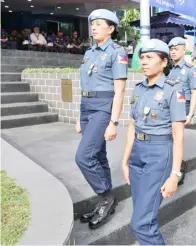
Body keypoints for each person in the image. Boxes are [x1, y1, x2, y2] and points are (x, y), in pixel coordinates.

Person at [121, 39, 185, 245]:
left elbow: (178, 136)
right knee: (143, 215)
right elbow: (132, 126)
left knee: (141, 223)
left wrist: (175, 174)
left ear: (164, 61)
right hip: (137, 153)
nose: (144, 62)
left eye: (149, 57)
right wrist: (125, 160)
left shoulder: (173, 90)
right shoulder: (138, 89)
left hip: (159, 154)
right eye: (141, 58)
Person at [74, 9, 128, 229]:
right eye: (92, 23)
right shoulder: (89, 52)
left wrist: (113, 122)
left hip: (102, 109)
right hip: (86, 107)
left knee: (83, 157)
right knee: (98, 155)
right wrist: (80, 116)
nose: (94, 27)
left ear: (111, 28)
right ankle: (104, 201)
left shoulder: (117, 52)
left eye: (99, 23)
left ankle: (106, 197)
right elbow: (85, 85)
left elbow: (120, 90)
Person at [167, 37, 196, 186]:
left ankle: (178, 169)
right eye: (171, 49)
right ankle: (177, 165)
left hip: (181, 107)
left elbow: (194, 93)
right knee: (168, 138)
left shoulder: (191, 70)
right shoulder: (168, 68)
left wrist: (191, 113)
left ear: (183, 49)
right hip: (167, 106)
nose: (173, 52)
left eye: (176, 49)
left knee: (175, 137)